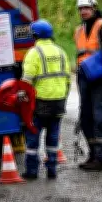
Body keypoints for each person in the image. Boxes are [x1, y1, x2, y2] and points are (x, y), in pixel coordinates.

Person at [20, 19, 71, 180]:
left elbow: (26, 81)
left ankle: (32, 171)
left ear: (34, 35)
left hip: (40, 102)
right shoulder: (61, 52)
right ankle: (52, 170)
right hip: (59, 102)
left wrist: (22, 98)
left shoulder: (34, 53)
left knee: (33, 137)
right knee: (53, 137)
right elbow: (68, 80)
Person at [73, 0, 102, 171]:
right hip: (84, 77)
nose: (83, 11)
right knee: (86, 117)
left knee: (100, 117)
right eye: (81, 8)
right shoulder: (79, 30)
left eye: (87, 8)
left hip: (100, 79)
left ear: (94, 8)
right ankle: (93, 154)